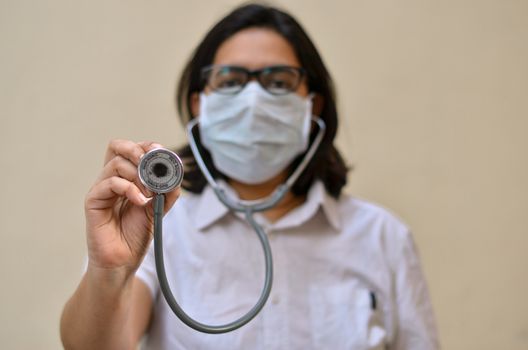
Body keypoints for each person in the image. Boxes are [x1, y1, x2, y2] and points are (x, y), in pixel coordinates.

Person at [60, 3, 439, 349]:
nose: (254, 100)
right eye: (229, 81)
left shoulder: (383, 238)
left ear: (312, 106)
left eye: (278, 82)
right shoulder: (161, 231)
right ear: (200, 106)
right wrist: (109, 272)